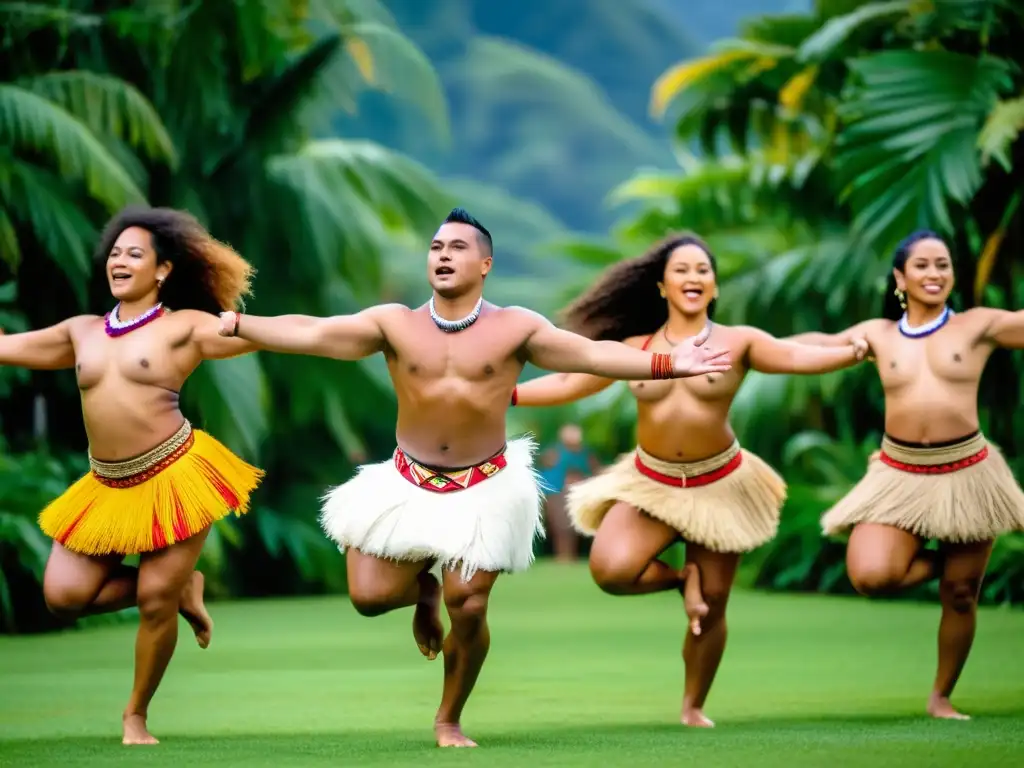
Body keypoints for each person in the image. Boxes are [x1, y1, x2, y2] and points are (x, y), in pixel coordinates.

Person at [216, 209, 734, 747]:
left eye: (458, 247)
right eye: (436, 246)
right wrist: (241, 324)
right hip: (406, 481)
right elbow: (315, 332)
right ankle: (423, 593)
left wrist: (670, 363)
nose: (443, 254)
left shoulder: (517, 327)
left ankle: (449, 717)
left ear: (485, 264)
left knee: (469, 603)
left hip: (484, 485)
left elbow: (592, 355)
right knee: (368, 598)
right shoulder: (394, 323)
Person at [511, 233, 869, 727]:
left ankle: (692, 705)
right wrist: (507, 394)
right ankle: (684, 580)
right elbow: (571, 381)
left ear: (714, 285)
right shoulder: (636, 348)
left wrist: (849, 352)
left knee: (713, 608)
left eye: (703, 270)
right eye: (681, 270)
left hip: (718, 480)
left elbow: (793, 356)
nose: (693, 278)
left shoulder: (739, 342)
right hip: (650, 481)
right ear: (661, 286)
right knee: (612, 570)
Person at [0, 206, 265, 745]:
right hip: (106, 485)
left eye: (134, 254)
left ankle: (135, 716)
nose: (119, 261)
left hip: (175, 476)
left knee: (152, 602)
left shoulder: (184, 326)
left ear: (163, 269)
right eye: (115, 254)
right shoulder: (82, 332)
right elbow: (7, 349)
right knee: (63, 597)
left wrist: (346, 332)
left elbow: (255, 334)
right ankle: (182, 590)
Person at [786, 229, 1024, 720]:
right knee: (871, 575)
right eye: (923, 265)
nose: (934, 274)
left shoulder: (977, 326)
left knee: (960, 597)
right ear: (900, 277)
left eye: (943, 265)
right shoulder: (878, 334)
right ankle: (958, 569)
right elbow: (819, 343)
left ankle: (940, 696)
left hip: (968, 473)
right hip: (898, 473)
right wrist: (749, 347)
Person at [538, 423, 600, 561]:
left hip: (578, 494)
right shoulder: (554, 453)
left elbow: (594, 470)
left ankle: (569, 556)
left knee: (573, 526)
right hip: (557, 493)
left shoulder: (585, 454)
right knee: (560, 526)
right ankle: (563, 556)